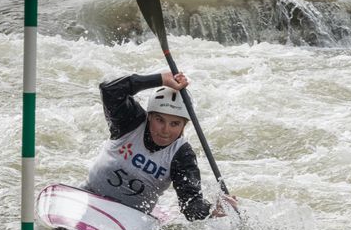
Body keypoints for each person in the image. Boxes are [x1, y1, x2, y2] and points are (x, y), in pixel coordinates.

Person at [83, 71, 237, 220]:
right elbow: (110, 90)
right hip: (89, 195)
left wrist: (212, 210)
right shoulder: (130, 122)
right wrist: (160, 79)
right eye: (160, 120)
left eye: (175, 124)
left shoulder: (182, 155)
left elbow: (190, 207)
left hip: (132, 217)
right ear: (149, 116)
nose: (165, 130)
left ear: (184, 125)